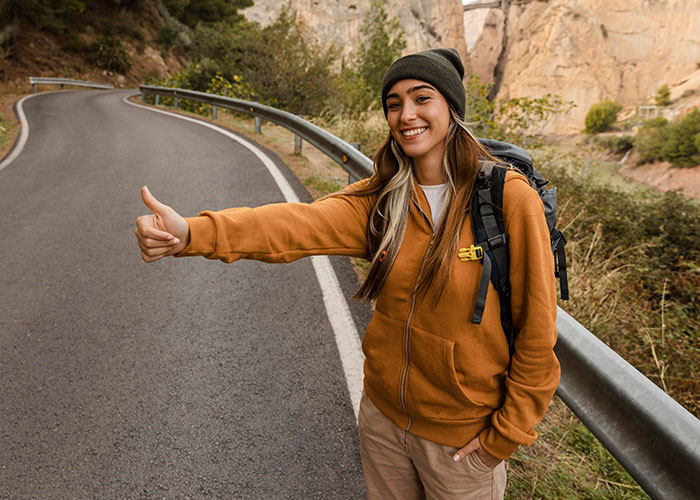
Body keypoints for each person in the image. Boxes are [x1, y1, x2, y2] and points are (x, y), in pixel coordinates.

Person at [135, 48, 560, 499]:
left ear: (451, 108)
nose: (406, 114)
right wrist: (191, 232)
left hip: (461, 446)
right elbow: (294, 225)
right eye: (394, 104)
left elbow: (537, 334)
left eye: (421, 99)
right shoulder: (385, 198)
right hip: (383, 425)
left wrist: (500, 441)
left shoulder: (506, 200)